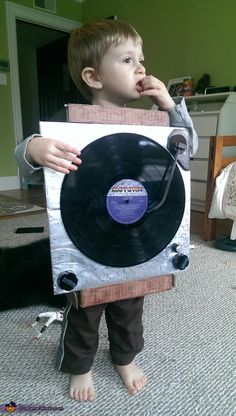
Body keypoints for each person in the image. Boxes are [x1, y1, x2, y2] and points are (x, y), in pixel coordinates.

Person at [15, 20, 198, 402]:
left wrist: (170, 107)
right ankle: (79, 365)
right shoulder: (70, 122)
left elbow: (186, 149)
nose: (141, 69)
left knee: (130, 305)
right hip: (88, 238)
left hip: (134, 236)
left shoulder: (157, 123)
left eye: (142, 60)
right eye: (128, 59)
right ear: (93, 76)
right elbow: (28, 153)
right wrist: (34, 147)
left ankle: (124, 357)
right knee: (83, 310)